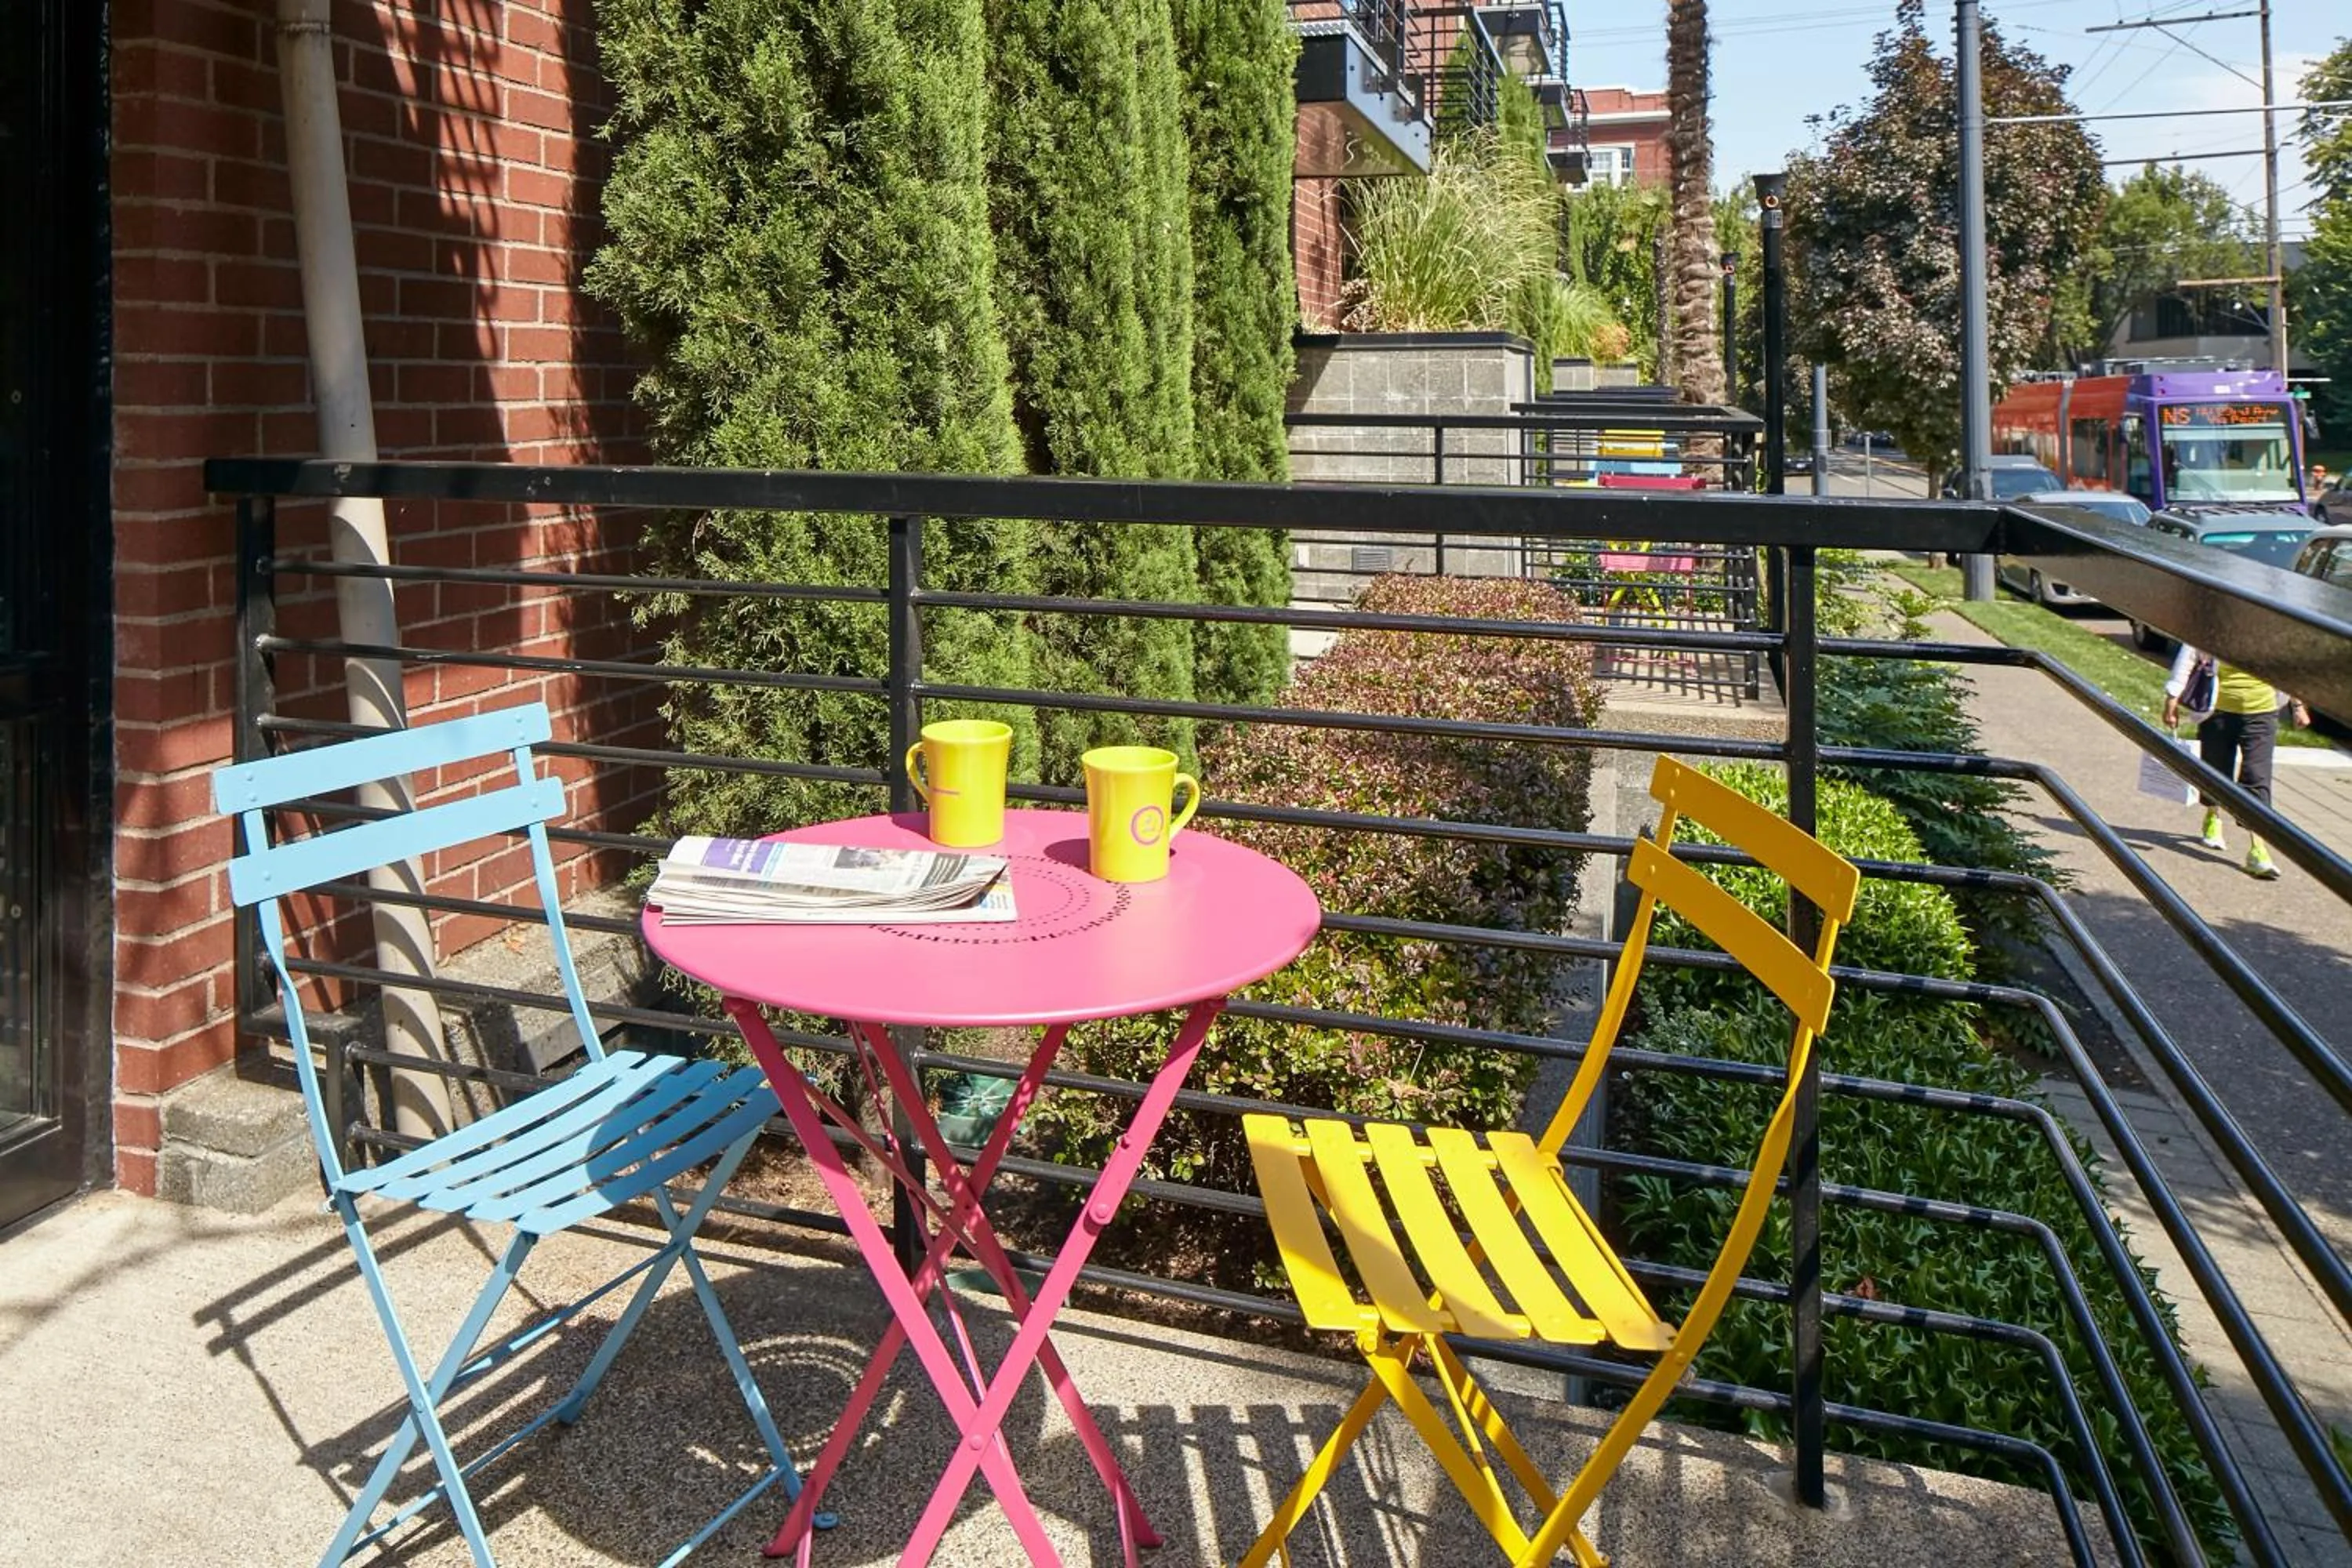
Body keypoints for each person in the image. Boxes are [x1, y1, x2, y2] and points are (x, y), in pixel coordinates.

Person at [2161, 644, 2310, 879]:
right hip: (2218, 711)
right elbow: (2189, 655)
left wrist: (2298, 705)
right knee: (2216, 771)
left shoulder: (2274, 631)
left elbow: (2289, 667)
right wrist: (2172, 697)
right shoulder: (2217, 624)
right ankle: (2212, 814)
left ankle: (2258, 850)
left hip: (2263, 713)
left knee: (2257, 778)